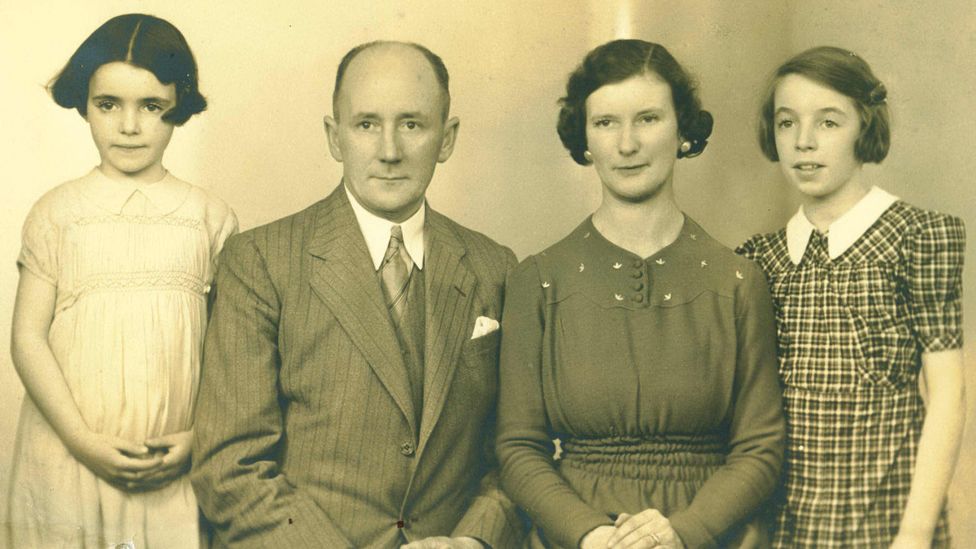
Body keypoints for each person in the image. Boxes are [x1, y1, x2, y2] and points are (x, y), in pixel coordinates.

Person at [190, 41, 524, 548]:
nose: (390, 150)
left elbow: (516, 451)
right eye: (366, 124)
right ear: (334, 136)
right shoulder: (260, 261)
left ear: (448, 138)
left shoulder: (493, 266)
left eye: (412, 124)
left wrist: (474, 541)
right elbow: (230, 467)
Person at [496, 39, 785, 549]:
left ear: (682, 131)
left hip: (711, 534)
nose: (627, 144)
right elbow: (519, 448)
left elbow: (760, 449)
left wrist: (685, 532)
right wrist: (590, 534)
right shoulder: (538, 281)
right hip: (575, 537)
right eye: (606, 122)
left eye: (648, 119)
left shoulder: (738, 280)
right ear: (584, 138)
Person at [6, 13, 237, 548]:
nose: (128, 127)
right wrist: (82, 441)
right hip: (68, 459)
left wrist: (197, 437)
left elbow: (233, 353)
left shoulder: (209, 218)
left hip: (174, 463)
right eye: (108, 105)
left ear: (178, 108)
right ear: (83, 103)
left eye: (151, 107)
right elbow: (27, 338)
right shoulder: (57, 213)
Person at [737, 46, 966, 548]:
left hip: (889, 523)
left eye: (828, 123)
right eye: (786, 123)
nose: (803, 143)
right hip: (785, 526)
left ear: (864, 125)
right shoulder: (760, 258)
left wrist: (915, 533)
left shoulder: (918, 236)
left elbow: (948, 395)